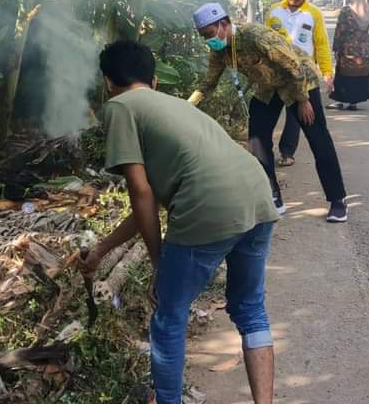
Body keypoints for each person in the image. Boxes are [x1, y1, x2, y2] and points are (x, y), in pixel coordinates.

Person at [83, 40, 278, 404]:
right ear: (154, 80)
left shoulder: (119, 107)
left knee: (169, 317)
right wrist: (102, 249)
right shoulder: (174, 106)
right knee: (250, 308)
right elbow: (153, 196)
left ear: (108, 82)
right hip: (257, 196)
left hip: (208, 204)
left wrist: (158, 262)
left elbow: (141, 193)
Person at [187, 3, 351, 223]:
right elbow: (209, 83)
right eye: (203, 36)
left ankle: (338, 201)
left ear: (223, 24)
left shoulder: (254, 35)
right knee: (257, 139)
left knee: (318, 138)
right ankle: (273, 196)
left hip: (298, 83)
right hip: (267, 89)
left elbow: (292, 64)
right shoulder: (220, 50)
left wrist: (303, 100)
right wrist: (186, 106)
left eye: (209, 34)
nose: (209, 40)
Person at [264, 0, 334, 167]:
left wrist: (327, 73)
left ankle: (287, 152)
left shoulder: (314, 14)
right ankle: (262, 154)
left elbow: (321, 45)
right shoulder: (274, 11)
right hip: (277, 74)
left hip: (304, 76)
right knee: (268, 115)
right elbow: (265, 42)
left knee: (301, 117)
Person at [330, 0, 369, 110]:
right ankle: (353, 102)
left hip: (347, 50)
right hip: (364, 50)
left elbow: (340, 31)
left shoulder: (346, 11)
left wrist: (336, 48)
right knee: (360, 74)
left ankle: (340, 101)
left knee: (343, 74)